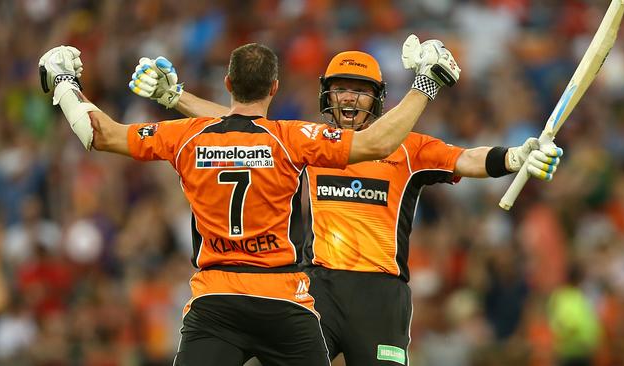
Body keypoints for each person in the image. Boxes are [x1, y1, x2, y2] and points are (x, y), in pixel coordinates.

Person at [127, 42, 562, 365]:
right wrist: (175, 97)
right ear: (327, 95)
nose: (350, 99)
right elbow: (236, 123)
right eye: (341, 90)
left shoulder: (407, 147)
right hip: (317, 290)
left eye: (360, 91)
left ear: (376, 97)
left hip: (381, 295)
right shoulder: (304, 143)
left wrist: (515, 157)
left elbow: (467, 158)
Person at [38, 37, 459, 366]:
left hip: (214, 298)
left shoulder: (187, 135)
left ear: (227, 84)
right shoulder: (291, 138)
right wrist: (426, 83)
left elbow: (101, 134)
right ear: (274, 88)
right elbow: (378, 142)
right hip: (284, 301)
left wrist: (64, 83)